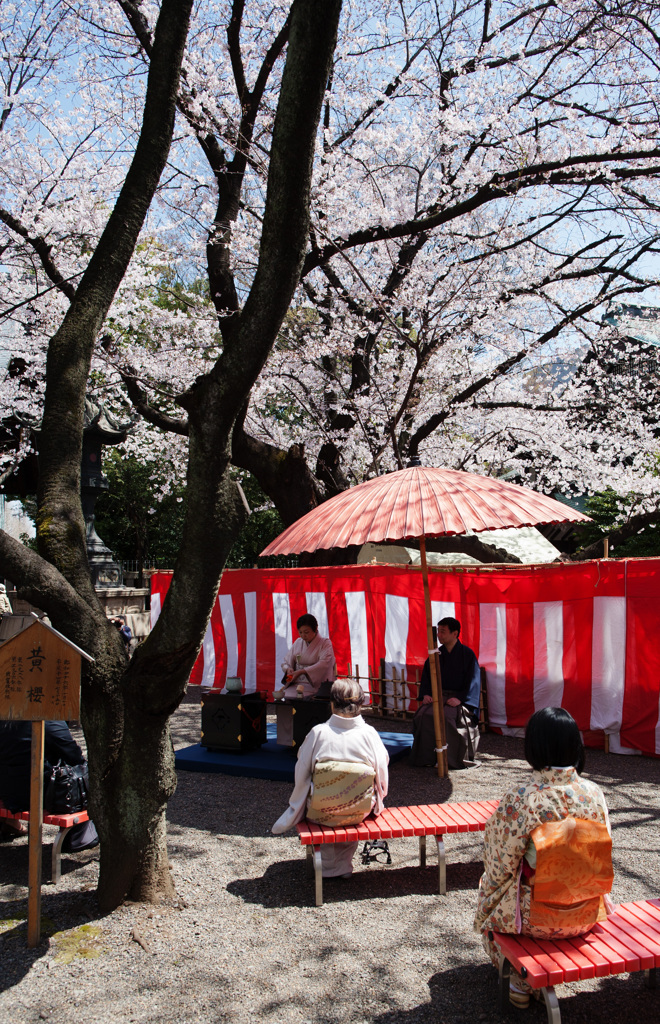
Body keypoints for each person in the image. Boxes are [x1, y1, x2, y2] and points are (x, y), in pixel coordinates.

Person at [474, 707, 613, 1009]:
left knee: (488, 884)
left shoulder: (523, 797)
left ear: (534, 748)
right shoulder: (594, 793)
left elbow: (499, 863)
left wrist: (491, 889)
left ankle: (519, 978)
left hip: (535, 919)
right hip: (587, 913)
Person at [272, 678, 389, 877]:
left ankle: (328, 866)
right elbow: (382, 775)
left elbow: (301, 772)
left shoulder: (319, 733)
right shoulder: (369, 734)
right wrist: (376, 798)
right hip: (358, 810)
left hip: (320, 809)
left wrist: (302, 798)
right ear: (360, 704)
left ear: (332, 704)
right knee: (354, 793)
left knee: (321, 794)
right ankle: (342, 866)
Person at [0, 720, 99, 851]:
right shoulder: (49, 719)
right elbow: (75, 757)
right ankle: (78, 837)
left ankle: (9, 822)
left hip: (6, 793)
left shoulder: (8, 715)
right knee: (83, 776)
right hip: (40, 796)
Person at [409, 616, 481, 769]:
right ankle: (427, 757)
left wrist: (460, 698)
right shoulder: (435, 654)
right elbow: (427, 677)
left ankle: (450, 759)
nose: (439, 636)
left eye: (443, 632)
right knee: (424, 715)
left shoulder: (467, 655)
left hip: (458, 697)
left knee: (447, 718)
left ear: (455, 634)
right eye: (438, 632)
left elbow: (473, 681)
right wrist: (427, 694)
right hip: (439, 695)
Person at [275, 613, 337, 700]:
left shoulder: (325, 643)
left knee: (303, 698)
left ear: (315, 629)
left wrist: (303, 671)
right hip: (296, 683)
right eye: (300, 632)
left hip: (316, 685)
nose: (303, 635)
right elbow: (286, 662)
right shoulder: (298, 642)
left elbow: (324, 664)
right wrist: (288, 669)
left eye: (306, 632)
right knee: (286, 695)